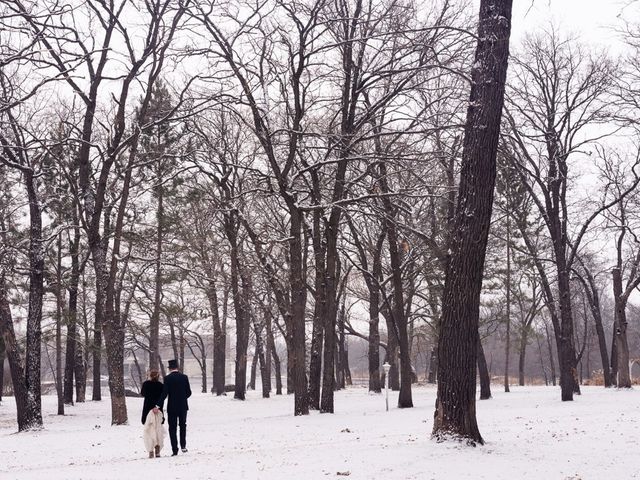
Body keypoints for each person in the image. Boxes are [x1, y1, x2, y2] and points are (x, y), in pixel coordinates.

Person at [155, 359, 192, 456]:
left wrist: (157, 406)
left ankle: (175, 449)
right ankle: (183, 445)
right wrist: (183, 398)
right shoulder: (184, 377)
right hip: (183, 406)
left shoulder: (167, 378)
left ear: (170, 368)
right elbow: (189, 392)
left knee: (172, 428)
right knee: (183, 425)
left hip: (172, 406)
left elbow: (164, 394)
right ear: (177, 367)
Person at [141, 369, 165, 458]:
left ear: (150, 376)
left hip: (148, 410)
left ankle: (150, 450)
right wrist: (157, 406)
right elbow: (163, 397)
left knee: (149, 430)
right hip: (158, 410)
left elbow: (143, 393)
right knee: (158, 430)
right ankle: (157, 448)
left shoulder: (146, 384)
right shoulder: (161, 386)